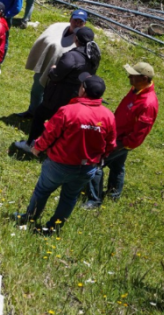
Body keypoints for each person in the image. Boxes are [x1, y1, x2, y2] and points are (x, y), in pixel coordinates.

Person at [18, 73, 116, 235]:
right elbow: (111, 144)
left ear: (83, 90)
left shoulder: (68, 111)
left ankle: (29, 218)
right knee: (69, 197)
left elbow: (49, 134)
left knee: (42, 191)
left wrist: (37, 148)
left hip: (59, 165)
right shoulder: (108, 116)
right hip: (87, 168)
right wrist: (99, 158)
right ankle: (52, 229)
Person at [14, 27, 100, 155]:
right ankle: (53, 147)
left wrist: (52, 69)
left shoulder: (72, 56)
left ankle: (30, 144)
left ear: (76, 39)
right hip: (76, 94)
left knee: (40, 115)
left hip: (59, 94)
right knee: (62, 122)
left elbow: (56, 76)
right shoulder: (93, 54)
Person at [84, 62, 159, 208]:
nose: (129, 77)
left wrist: (120, 145)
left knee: (96, 163)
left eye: (133, 75)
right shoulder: (136, 89)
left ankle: (94, 200)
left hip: (122, 141)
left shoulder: (148, 103)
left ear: (144, 78)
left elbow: (139, 134)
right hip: (116, 134)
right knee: (117, 166)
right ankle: (113, 195)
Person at [13, 10, 88, 119]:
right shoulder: (58, 27)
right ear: (70, 19)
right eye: (75, 20)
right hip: (46, 66)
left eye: (80, 22)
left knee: (51, 98)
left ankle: (46, 119)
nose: (77, 24)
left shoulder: (82, 38)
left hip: (61, 75)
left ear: (84, 24)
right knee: (36, 90)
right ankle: (32, 111)